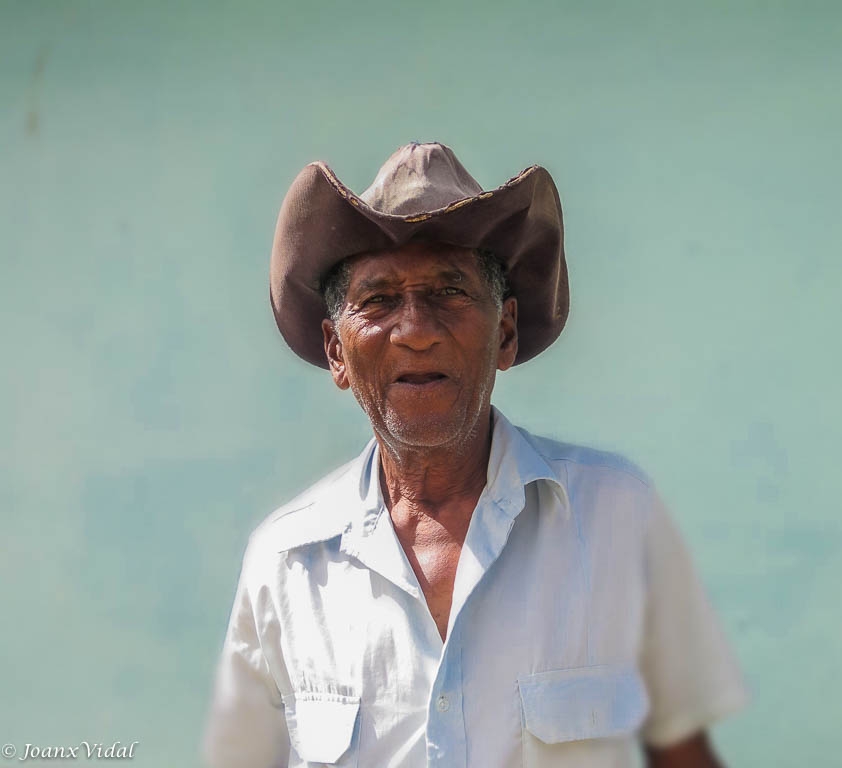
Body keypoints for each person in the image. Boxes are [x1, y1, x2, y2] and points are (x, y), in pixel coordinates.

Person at [203, 142, 748, 768]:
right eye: (378, 300)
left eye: (449, 292)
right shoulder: (284, 562)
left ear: (505, 334)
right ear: (336, 352)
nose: (416, 329)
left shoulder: (617, 516)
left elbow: (683, 751)